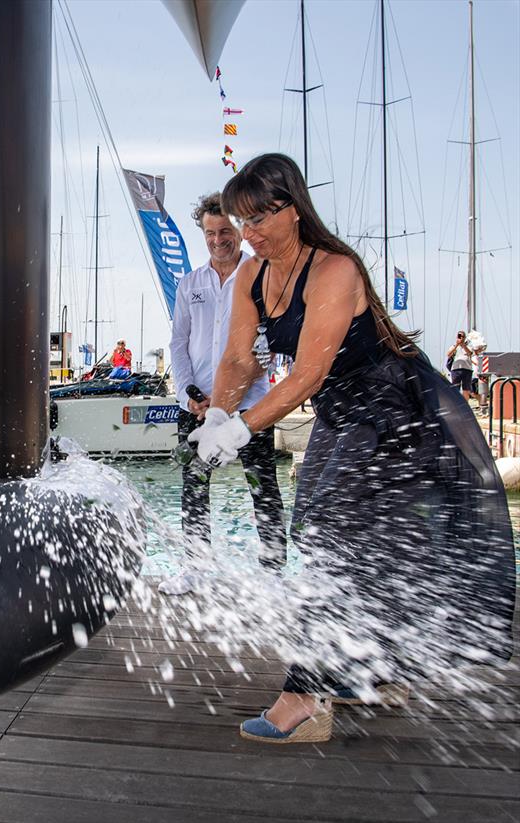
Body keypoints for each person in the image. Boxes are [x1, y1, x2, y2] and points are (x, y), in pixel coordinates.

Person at [189, 153, 515, 743]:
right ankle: (378, 671)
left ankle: (304, 697)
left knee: (326, 537)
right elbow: (239, 360)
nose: (250, 232)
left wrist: (243, 429)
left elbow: (308, 373)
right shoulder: (252, 276)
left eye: (261, 217)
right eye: (242, 220)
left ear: (293, 208)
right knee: (364, 543)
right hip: (345, 419)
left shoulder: (335, 270)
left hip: (401, 413)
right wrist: (217, 412)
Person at [161, 191, 286, 596]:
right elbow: (178, 343)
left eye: (226, 231)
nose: (218, 240)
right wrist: (187, 394)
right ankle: (195, 567)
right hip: (196, 406)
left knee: (262, 485)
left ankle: (272, 575)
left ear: (240, 231)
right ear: (203, 233)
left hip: (250, 405)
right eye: (211, 232)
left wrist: (231, 396)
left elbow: (269, 345)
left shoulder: (261, 275)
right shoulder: (189, 283)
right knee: (194, 485)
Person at [446, 331, 473, 400]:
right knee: (455, 388)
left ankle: (466, 405)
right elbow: (448, 354)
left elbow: (470, 353)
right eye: (459, 336)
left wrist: (463, 345)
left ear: (465, 337)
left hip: (467, 369)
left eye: (462, 336)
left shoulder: (469, 346)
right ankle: (456, 404)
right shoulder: (453, 346)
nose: (461, 338)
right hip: (456, 369)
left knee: (466, 389)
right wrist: (457, 345)